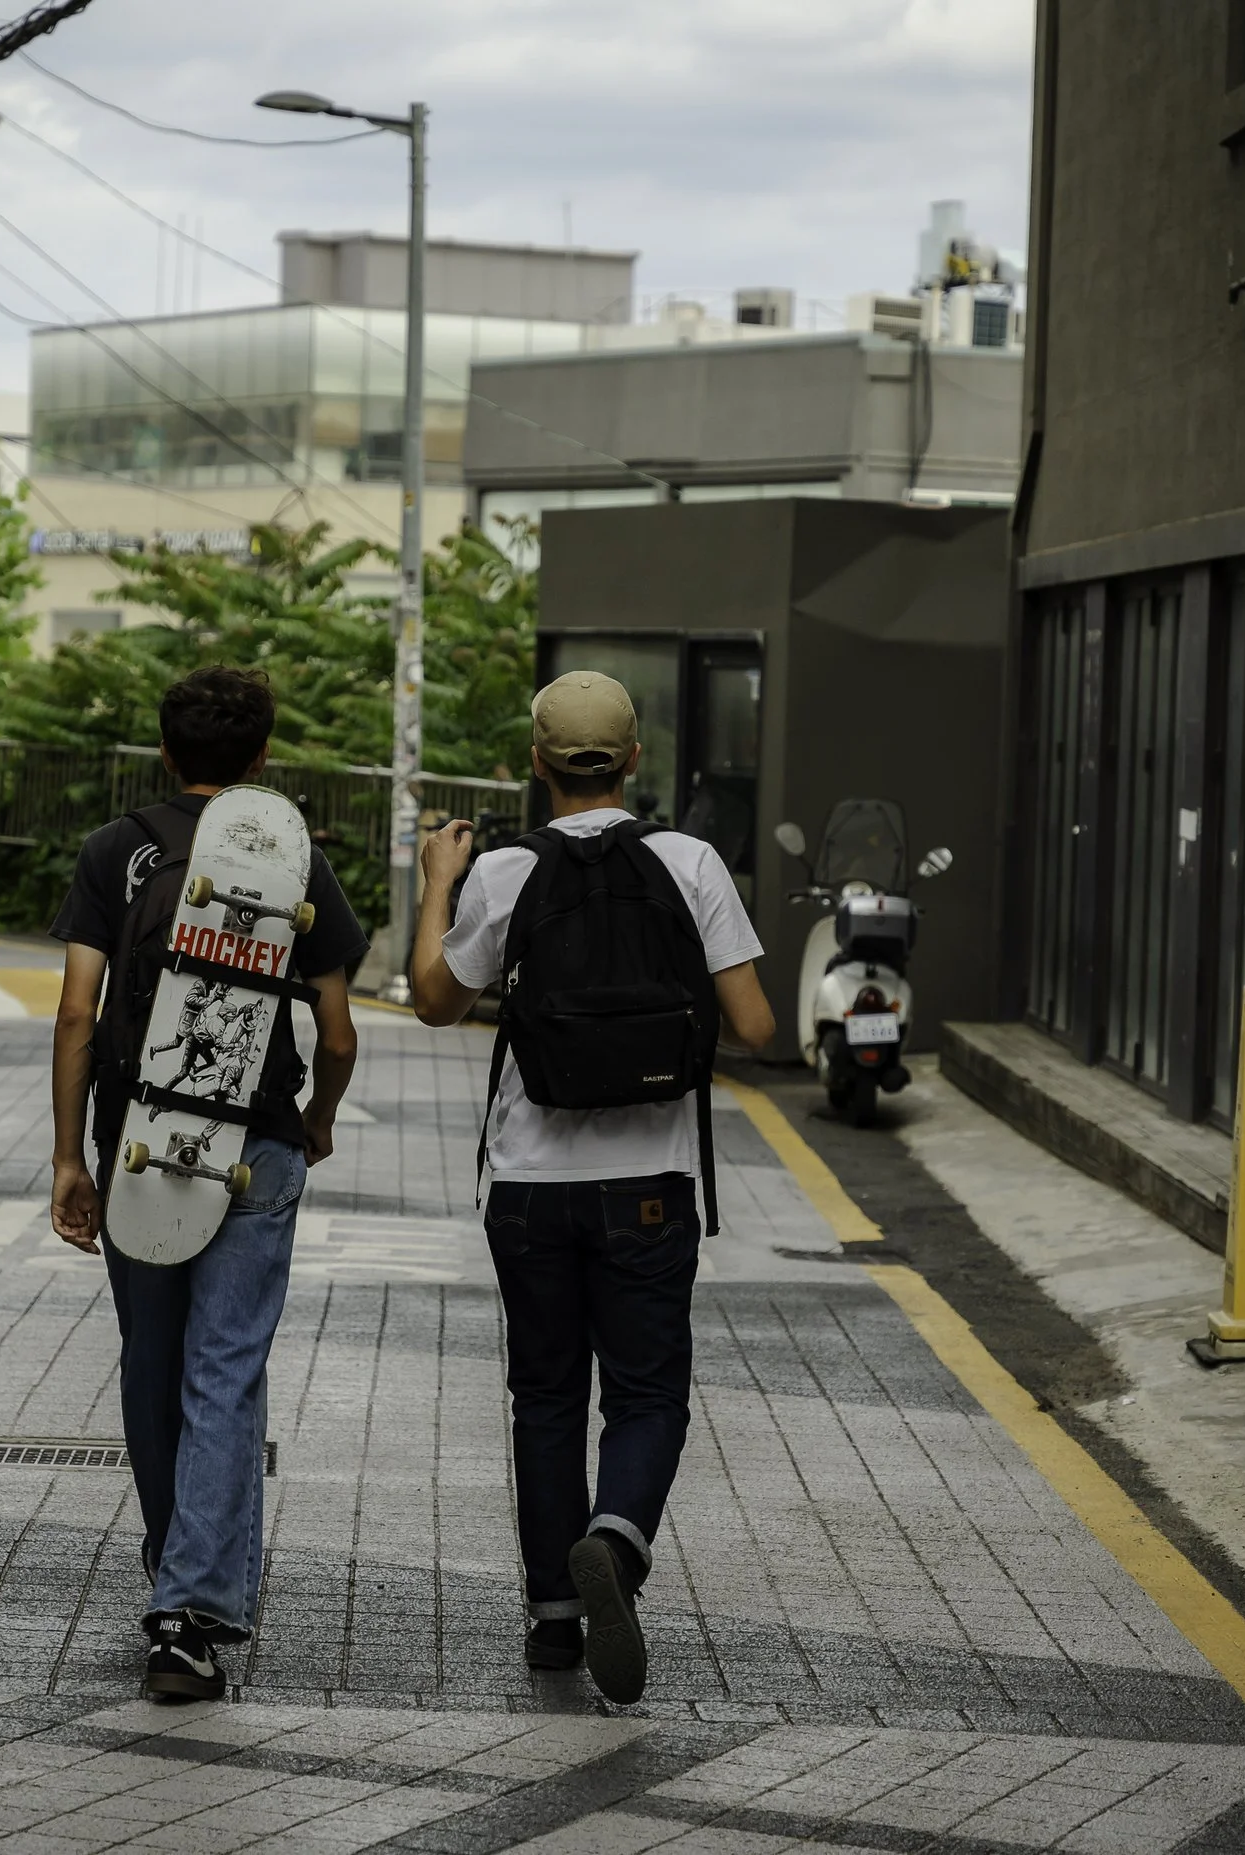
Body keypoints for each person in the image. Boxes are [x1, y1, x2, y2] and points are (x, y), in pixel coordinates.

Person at [410, 670, 774, 1704]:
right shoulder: (688, 861)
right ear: (632, 759)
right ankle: (615, 1539)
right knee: (648, 1393)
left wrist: (441, 876)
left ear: (535, 762)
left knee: (545, 1394)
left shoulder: (506, 871)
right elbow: (755, 1027)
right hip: (650, 1182)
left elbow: (436, 1000)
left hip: (529, 1183)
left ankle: (554, 1621)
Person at [49, 665, 366, 1704]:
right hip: (258, 1142)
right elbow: (338, 1029)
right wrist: (315, 1118)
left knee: (152, 1359)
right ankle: (189, 1608)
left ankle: (172, 1564)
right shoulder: (293, 860)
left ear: (163, 748)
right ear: (264, 758)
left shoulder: (116, 852)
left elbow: (75, 1015)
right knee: (224, 1368)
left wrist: (67, 1157)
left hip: (140, 1137)